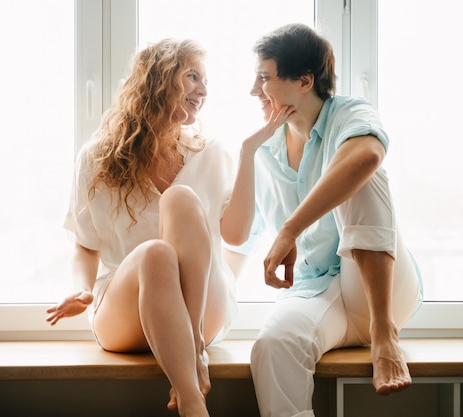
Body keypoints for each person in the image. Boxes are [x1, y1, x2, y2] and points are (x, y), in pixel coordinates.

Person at [44, 38, 290, 417]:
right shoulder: (96, 158)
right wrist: (81, 289)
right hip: (125, 314)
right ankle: (193, 389)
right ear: (158, 80)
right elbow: (85, 244)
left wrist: (248, 152)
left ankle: (191, 358)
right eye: (193, 77)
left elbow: (237, 236)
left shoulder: (211, 152)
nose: (203, 91)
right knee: (154, 254)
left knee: (180, 199)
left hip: (203, 310)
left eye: (205, 82)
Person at [234, 23, 424, 416]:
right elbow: (235, 238)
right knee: (272, 345)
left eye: (265, 77)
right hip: (316, 292)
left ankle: (384, 335)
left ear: (305, 81)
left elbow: (366, 157)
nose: (255, 90)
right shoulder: (265, 149)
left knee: (361, 171)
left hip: (381, 290)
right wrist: (246, 152)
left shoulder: (350, 113)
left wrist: (290, 229)